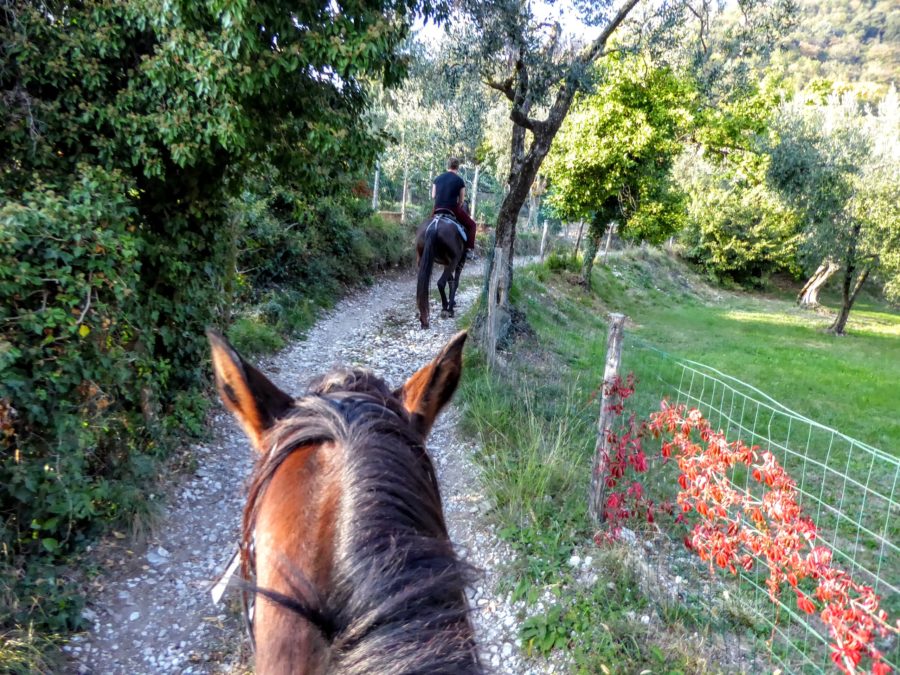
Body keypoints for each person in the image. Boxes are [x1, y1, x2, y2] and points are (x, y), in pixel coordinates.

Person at [432, 157, 478, 260]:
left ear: (447, 166)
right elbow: (461, 201)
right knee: (472, 225)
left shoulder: (437, 178)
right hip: (452, 208)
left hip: (437, 207)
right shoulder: (459, 181)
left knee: (429, 222)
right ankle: (469, 250)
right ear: (457, 167)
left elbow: (433, 196)